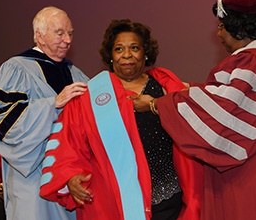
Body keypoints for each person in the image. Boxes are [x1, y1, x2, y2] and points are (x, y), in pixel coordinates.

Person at [130, 0, 256, 220]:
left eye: (222, 26)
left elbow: (224, 116)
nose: (219, 34)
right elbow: (238, 98)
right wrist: (193, 90)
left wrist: (156, 104)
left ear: (240, 29)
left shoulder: (249, 63)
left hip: (250, 179)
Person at [39, 19, 203, 220]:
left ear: (146, 52)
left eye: (134, 48)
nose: (127, 55)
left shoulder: (165, 87)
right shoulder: (90, 97)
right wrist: (70, 177)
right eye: (119, 49)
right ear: (110, 56)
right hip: (116, 202)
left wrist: (157, 104)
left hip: (172, 196)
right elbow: (69, 144)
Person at [0, 6, 89, 220]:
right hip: (33, 182)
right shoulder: (16, 69)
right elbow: (4, 122)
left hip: (70, 179)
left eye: (70, 33)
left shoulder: (75, 73)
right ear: (39, 36)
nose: (68, 40)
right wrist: (53, 104)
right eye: (60, 33)